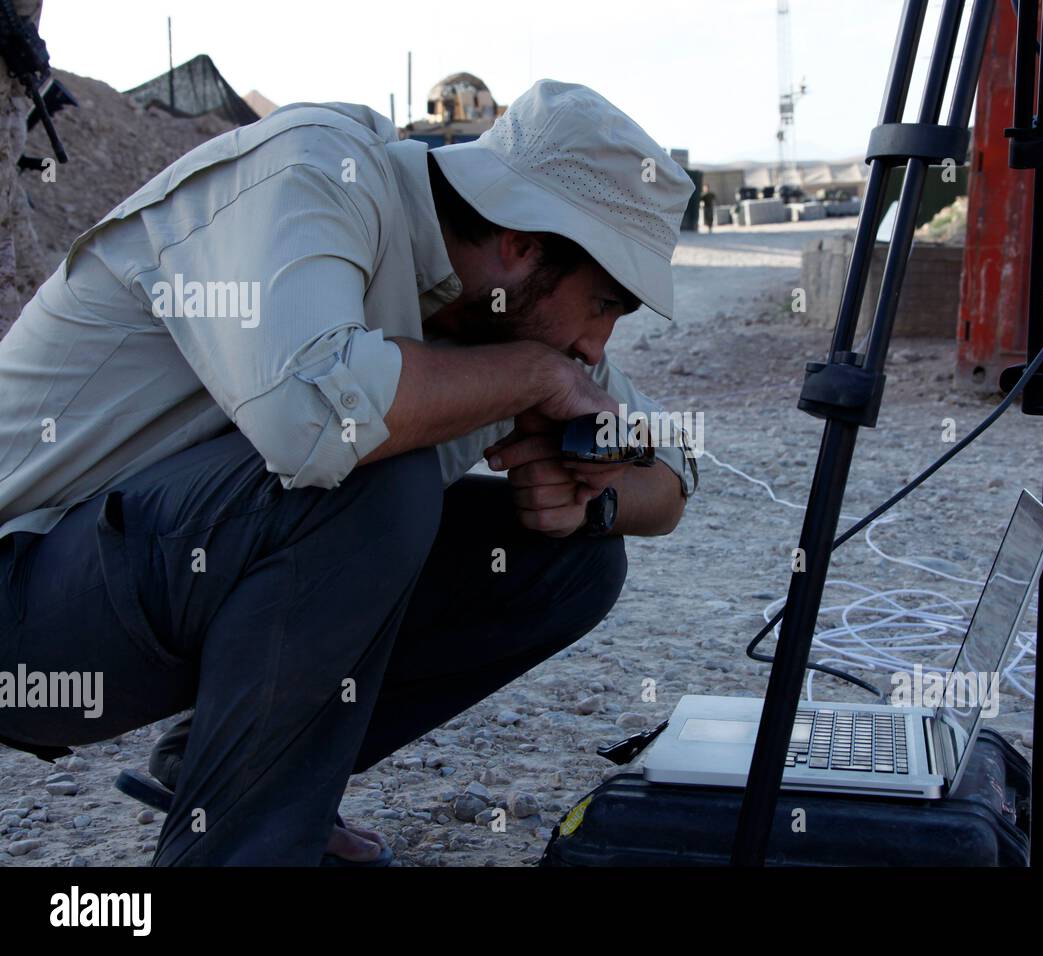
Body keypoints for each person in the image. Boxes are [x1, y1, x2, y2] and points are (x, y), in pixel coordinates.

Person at [0, 79, 697, 865]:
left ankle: (241, 782)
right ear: (522, 243)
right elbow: (316, 419)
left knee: (574, 565)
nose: (599, 346)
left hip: (137, 596)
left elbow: (671, 464)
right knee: (370, 471)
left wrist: (591, 505)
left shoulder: (505, 315)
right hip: (24, 607)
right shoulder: (315, 172)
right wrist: (531, 378)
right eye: (603, 304)